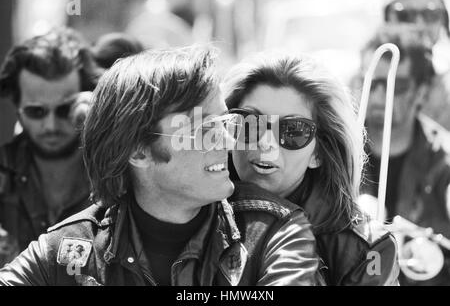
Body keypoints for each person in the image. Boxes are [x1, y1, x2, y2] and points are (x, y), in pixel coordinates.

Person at [0, 46, 321, 286]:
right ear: (138, 152)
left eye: (227, 122)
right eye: (204, 128)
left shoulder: (273, 232)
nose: (228, 141)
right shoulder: (66, 249)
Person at [223, 52, 399, 286]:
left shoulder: (367, 250)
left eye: (293, 131)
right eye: (250, 123)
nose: (266, 143)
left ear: (318, 154)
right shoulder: (195, 211)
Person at [0, 27, 100, 266]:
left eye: (65, 109)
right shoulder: (3, 168)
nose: (51, 125)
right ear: (16, 105)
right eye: (36, 111)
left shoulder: (113, 172)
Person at [358, 27, 450, 286]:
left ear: (421, 92)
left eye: (395, 86)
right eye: (371, 83)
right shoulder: (333, 154)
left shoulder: (444, 161)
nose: (378, 96)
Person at [383, 0, 450, 130]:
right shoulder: (366, 80)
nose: (420, 25)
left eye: (431, 14)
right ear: (387, 21)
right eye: (405, 15)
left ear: (444, 21)